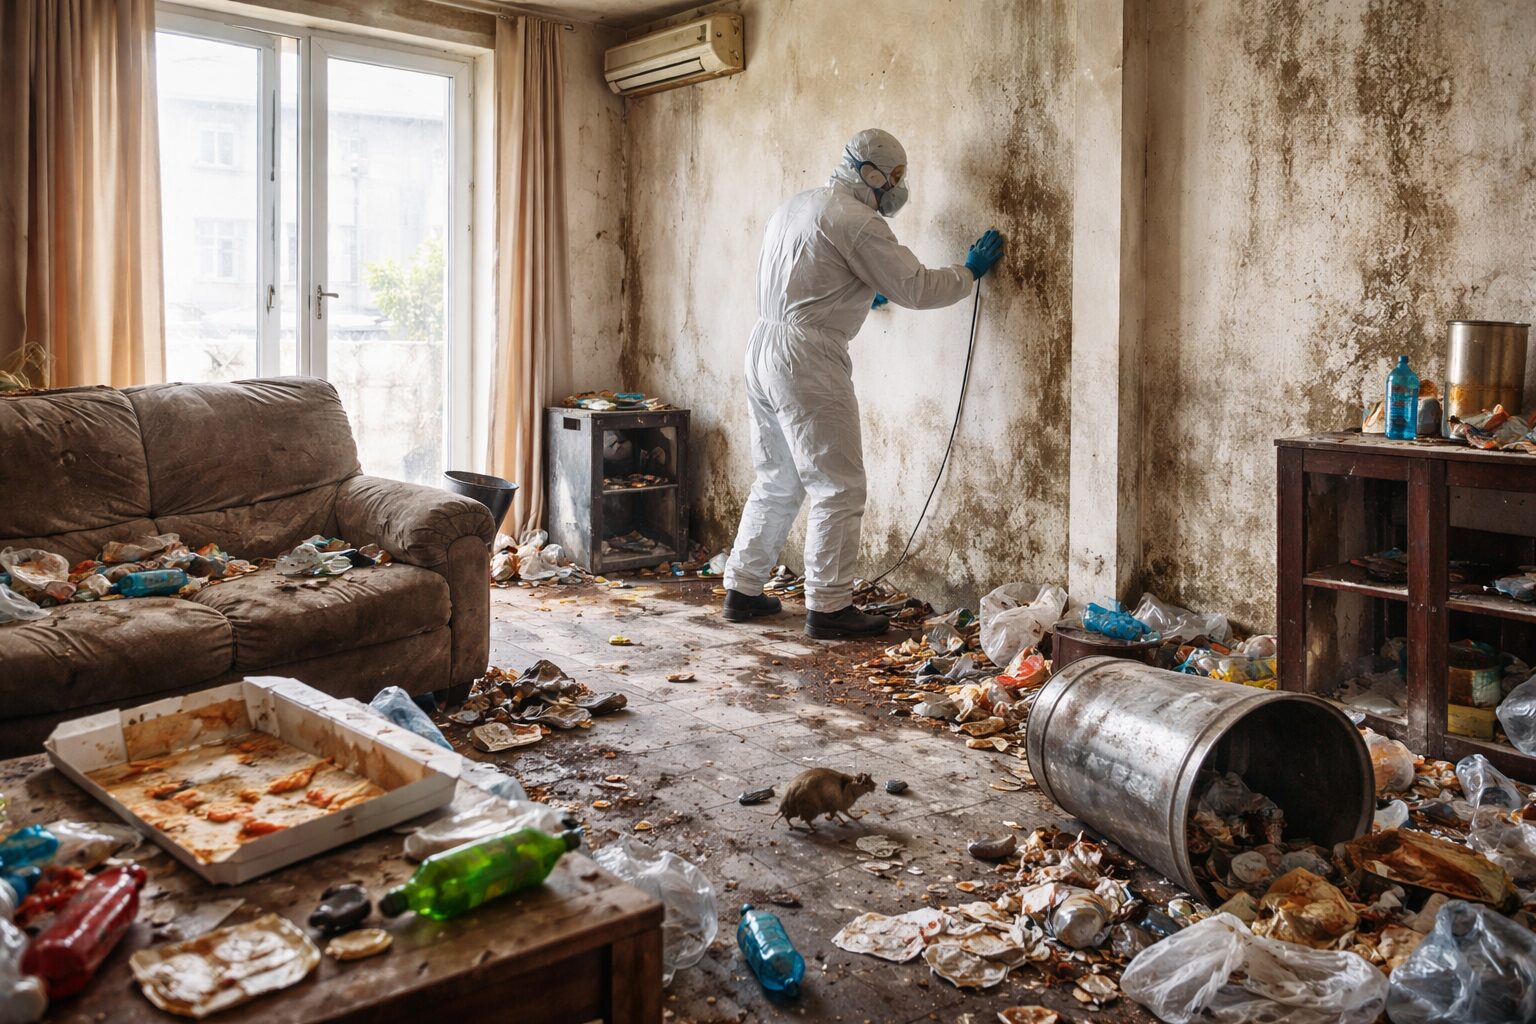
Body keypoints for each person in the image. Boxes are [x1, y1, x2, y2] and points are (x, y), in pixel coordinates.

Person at [721, 128, 1005, 639]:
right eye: (895, 177)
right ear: (871, 173)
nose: (898, 186)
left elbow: (806, 274)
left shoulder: (798, 205)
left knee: (777, 476)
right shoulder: (858, 222)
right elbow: (915, 287)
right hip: (808, 358)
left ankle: (742, 589)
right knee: (838, 484)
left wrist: (854, 293)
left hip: (763, 343)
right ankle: (829, 608)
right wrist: (968, 272)